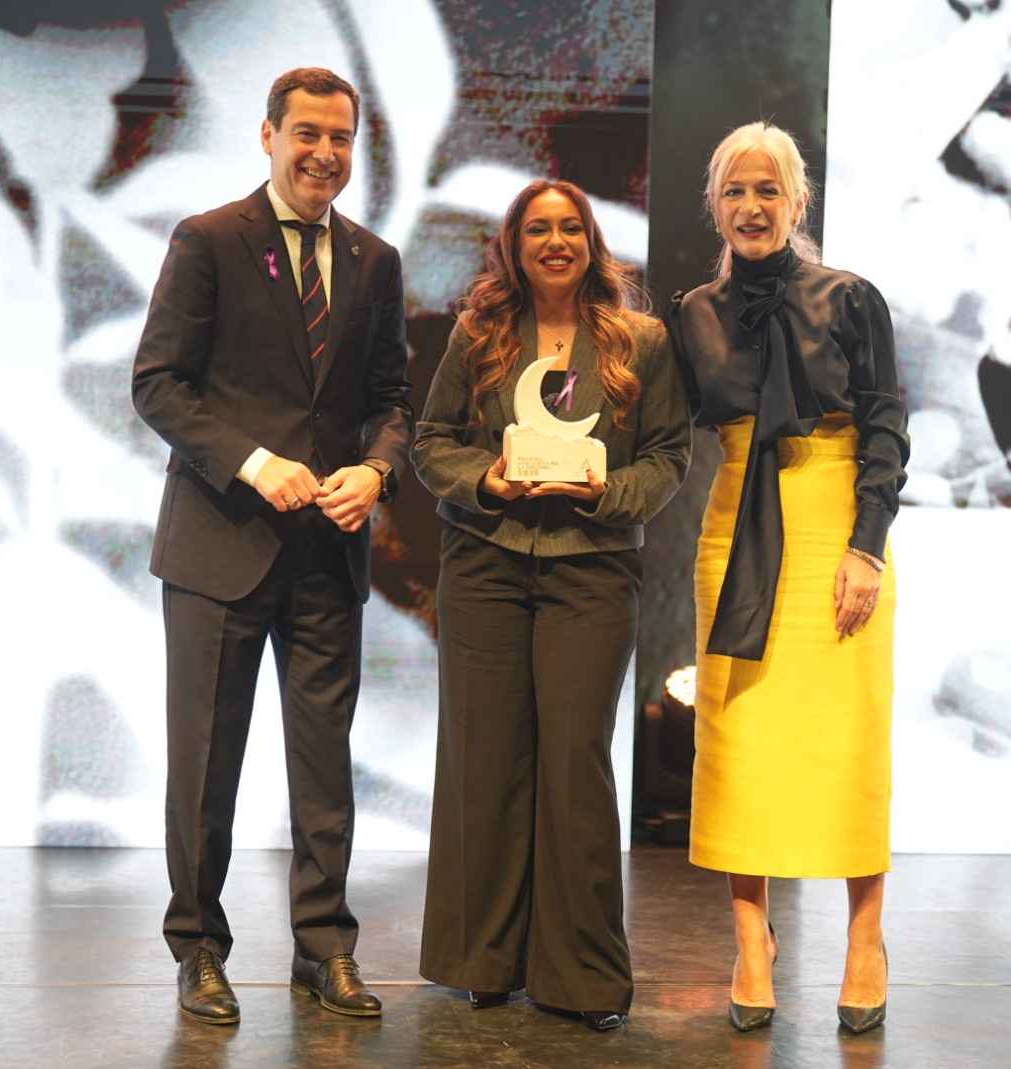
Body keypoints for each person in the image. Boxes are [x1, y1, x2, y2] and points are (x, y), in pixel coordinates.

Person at [130, 67, 413, 1025]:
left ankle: (324, 948)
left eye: (340, 138)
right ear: (267, 135)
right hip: (221, 545)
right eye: (307, 134)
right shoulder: (208, 240)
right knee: (204, 763)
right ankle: (199, 949)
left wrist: (377, 471)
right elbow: (160, 385)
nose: (324, 153)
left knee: (324, 765)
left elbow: (391, 402)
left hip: (329, 555)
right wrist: (252, 462)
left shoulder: (374, 260)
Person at [413, 179, 690, 1031]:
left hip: (592, 571)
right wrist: (486, 479)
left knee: (575, 764)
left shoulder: (640, 340)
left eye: (571, 226)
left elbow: (671, 454)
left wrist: (610, 491)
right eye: (540, 228)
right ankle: (482, 962)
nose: (556, 241)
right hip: (487, 566)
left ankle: (581, 979)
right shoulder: (479, 334)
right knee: (485, 760)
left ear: (592, 239)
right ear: (515, 243)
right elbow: (431, 445)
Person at [665, 121, 909, 1034]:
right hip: (735, 533)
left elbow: (886, 423)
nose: (753, 206)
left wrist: (867, 545)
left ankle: (866, 940)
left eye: (770, 190)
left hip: (835, 529)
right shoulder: (691, 312)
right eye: (737, 190)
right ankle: (750, 940)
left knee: (847, 743)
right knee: (742, 744)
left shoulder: (851, 298)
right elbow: (650, 423)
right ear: (716, 206)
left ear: (798, 203)